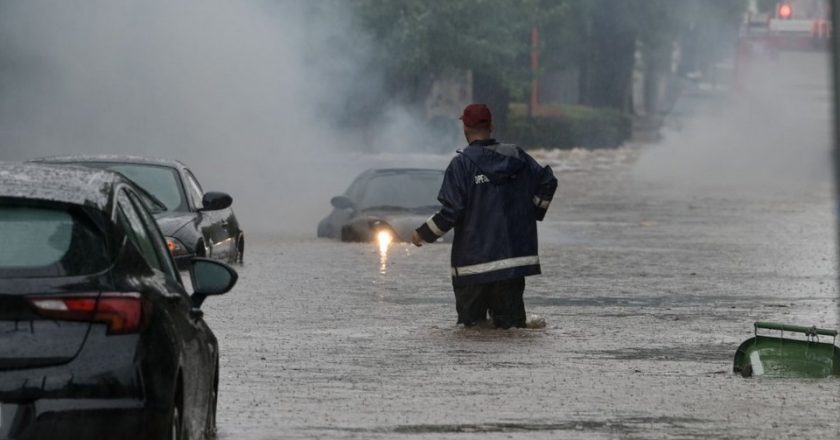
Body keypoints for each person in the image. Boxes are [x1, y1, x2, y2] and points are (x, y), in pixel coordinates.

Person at [411, 103, 557, 329]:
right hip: (512, 265)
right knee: (511, 331)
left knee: (471, 333)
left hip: (472, 268)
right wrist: (534, 210)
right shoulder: (517, 156)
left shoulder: (460, 165)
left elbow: (452, 211)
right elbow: (548, 181)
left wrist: (422, 235)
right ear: (492, 126)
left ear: (465, 129)